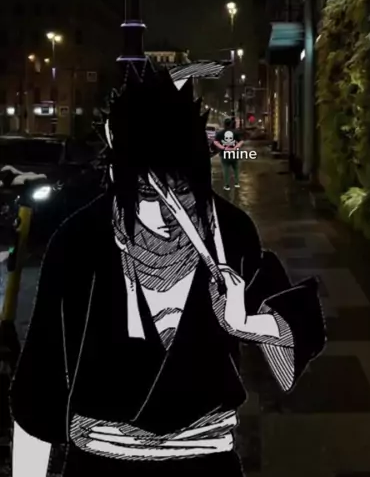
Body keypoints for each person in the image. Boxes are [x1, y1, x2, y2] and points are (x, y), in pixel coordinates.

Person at [10, 65, 326, 477]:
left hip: (207, 465)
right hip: (100, 465)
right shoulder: (79, 240)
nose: (164, 216)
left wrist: (247, 323)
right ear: (116, 173)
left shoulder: (230, 230)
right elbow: (40, 383)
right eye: (145, 194)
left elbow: (297, 323)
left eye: (180, 190)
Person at [213, 118, 244, 190]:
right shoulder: (235, 132)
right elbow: (241, 141)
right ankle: (237, 183)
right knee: (236, 169)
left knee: (226, 170)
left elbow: (215, 142)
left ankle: (227, 185)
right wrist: (235, 147)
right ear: (231, 124)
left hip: (224, 155)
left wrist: (223, 148)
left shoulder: (220, 133)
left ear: (224, 124)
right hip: (234, 154)